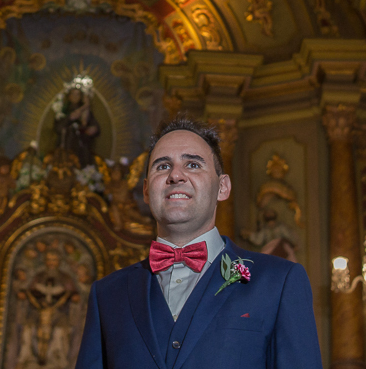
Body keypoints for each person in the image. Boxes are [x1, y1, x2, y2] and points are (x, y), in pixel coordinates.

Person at [74, 118, 322, 369]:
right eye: (162, 166)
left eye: (192, 164)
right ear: (147, 191)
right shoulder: (107, 295)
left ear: (222, 187)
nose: (176, 175)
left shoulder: (279, 282)